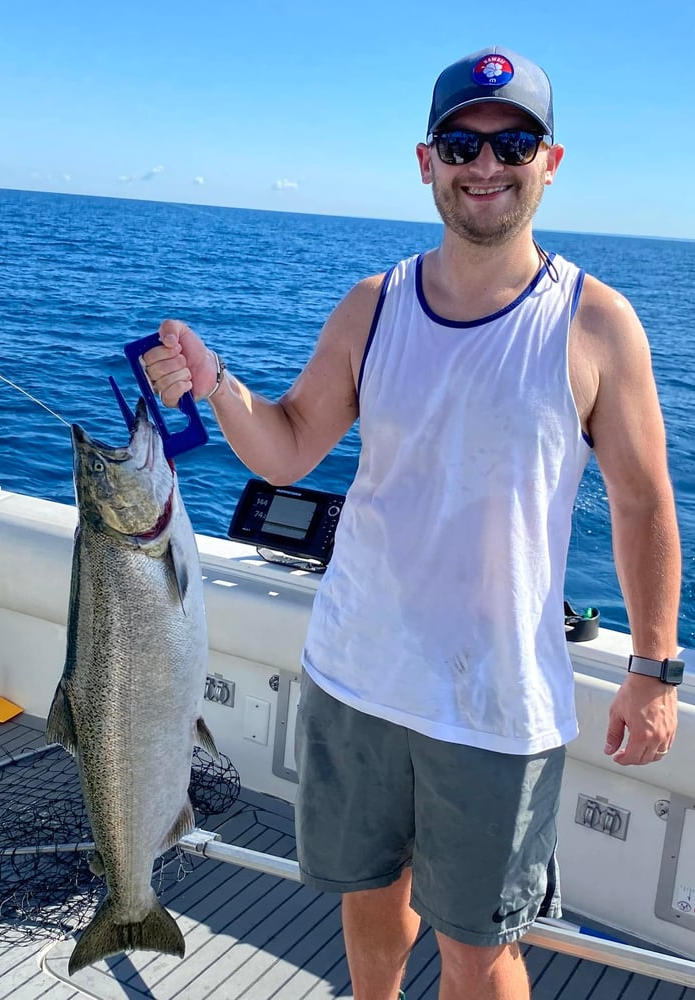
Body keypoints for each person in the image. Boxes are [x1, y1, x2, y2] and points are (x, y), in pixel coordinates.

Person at [142, 46, 681, 1000]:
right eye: (460, 144)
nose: (486, 165)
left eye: (512, 142)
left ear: (549, 162)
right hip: (357, 675)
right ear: (425, 160)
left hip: (498, 707)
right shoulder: (373, 305)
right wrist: (217, 380)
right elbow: (292, 444)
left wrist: (652, 666)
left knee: (480, 948)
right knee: (366, 904)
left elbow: (642, 504)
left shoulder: (598, 323)